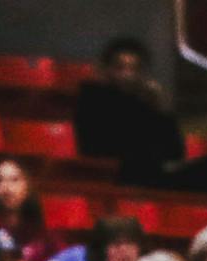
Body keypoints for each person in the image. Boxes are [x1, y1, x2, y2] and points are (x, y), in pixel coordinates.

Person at [73, 36, 186, 187]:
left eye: (134, 69)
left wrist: (161, 108)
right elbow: (94, 147)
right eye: (120, 68)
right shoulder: (92, 99)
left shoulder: (148, 105)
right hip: (117, 175)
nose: (127, 75)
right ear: (107, 69)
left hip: (152, 175)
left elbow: (175, 153)